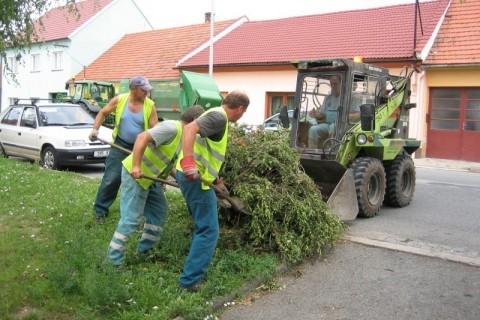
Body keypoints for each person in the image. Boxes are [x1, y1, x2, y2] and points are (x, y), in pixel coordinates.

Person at [107, 105, 205, 266]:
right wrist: (136, 166)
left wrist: (182, 182)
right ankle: (113, 262)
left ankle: (145, 252)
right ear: (194, 121)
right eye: (200, 126)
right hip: (136, 176)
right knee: (131, 219)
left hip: (151, 179)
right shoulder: (171, 128)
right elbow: (142, 138)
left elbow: (169, 163)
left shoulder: (183, 136)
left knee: (159, 212)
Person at [176, 90, 250, 291]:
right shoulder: (219, 117)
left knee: (202, 225)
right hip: (194, 178)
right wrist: (189, 162)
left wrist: (216, 179)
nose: (241, 116)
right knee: (209, 230)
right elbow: (189, 129)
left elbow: (205, 148)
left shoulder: (216, 113)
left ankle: (190, 271)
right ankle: (189, 282)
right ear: (240, 108)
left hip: (197, 177)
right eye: (243, 113)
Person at [89, 76, 158, 224]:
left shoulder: (149, 105)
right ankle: (100, 212)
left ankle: (141, 215)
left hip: (139, 149)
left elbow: (155, 129)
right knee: (111, 179)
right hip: (119, 146)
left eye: (147, 89)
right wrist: (95, 129)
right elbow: (102, 112)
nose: (147, 92)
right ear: (133, 88)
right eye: (143, 89)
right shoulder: (120, 100)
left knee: (141, 181)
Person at [308, 75, 360, 148]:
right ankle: (312, 152)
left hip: (344, 125)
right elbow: (323, 115)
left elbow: (357, 115)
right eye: (331, 84)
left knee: (333, 127)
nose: (333, 86)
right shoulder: (328, 98)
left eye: (335, 84)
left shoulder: (350, 97)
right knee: (313, 129)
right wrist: (315, 115)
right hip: (328, 124)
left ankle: (333, 152)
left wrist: (348, 116)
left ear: (342, 84)